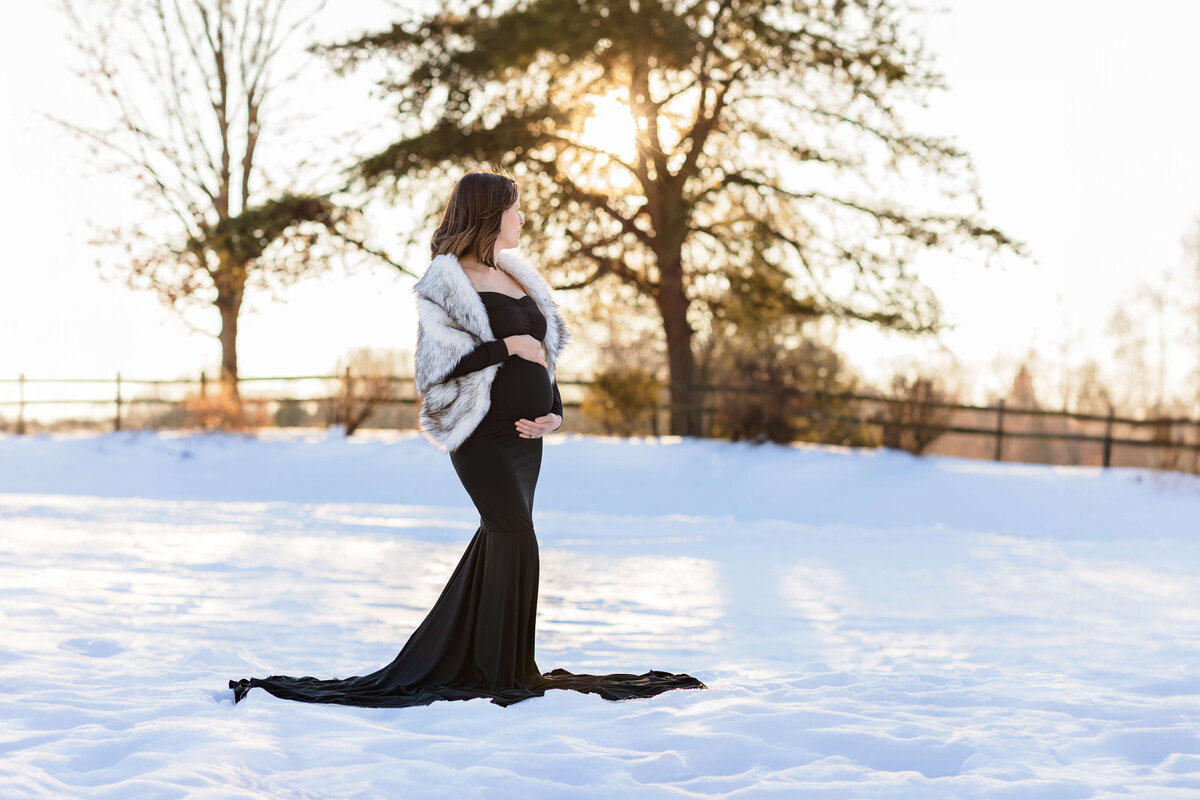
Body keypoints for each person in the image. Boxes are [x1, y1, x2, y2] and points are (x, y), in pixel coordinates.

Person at [228, 170, 706, 707]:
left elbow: (545, 355)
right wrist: (507, 347)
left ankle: (492, 660)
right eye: (516, 208)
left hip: (528, 438)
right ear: (490, 213)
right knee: (514, 535)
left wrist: (555, 411)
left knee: (503, 537)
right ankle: (497, 669)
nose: (523, 217)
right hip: (480, 434)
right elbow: (438, 367)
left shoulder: (519, 275)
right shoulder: (445, 281)